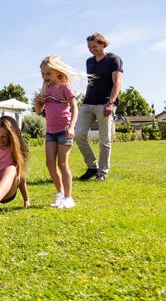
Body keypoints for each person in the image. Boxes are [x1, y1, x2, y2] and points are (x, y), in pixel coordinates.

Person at [34, 55, 87, 209]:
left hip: (64, 130)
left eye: (48, 74)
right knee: (50, 163)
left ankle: (69, 197)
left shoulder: (65, 87)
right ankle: (60, 193)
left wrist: (71, 127)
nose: (45, 77)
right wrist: (38, 102)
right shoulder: (45, 88)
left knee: (62, 163)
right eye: (42, 74)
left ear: (58, 72)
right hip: (50, 131)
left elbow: (74, 107)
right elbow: (38, 111)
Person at [75, 33, 123, 182]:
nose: (92, 50)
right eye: (89, 47)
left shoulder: (114, 59)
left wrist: (111, 103)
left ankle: (102, 172)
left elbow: (117, 83)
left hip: (105, 104)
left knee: (104, 140)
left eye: (94, 46)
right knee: (78, 134)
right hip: (88, 103)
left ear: (103, 44)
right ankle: (92, 166)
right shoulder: (89, 61)